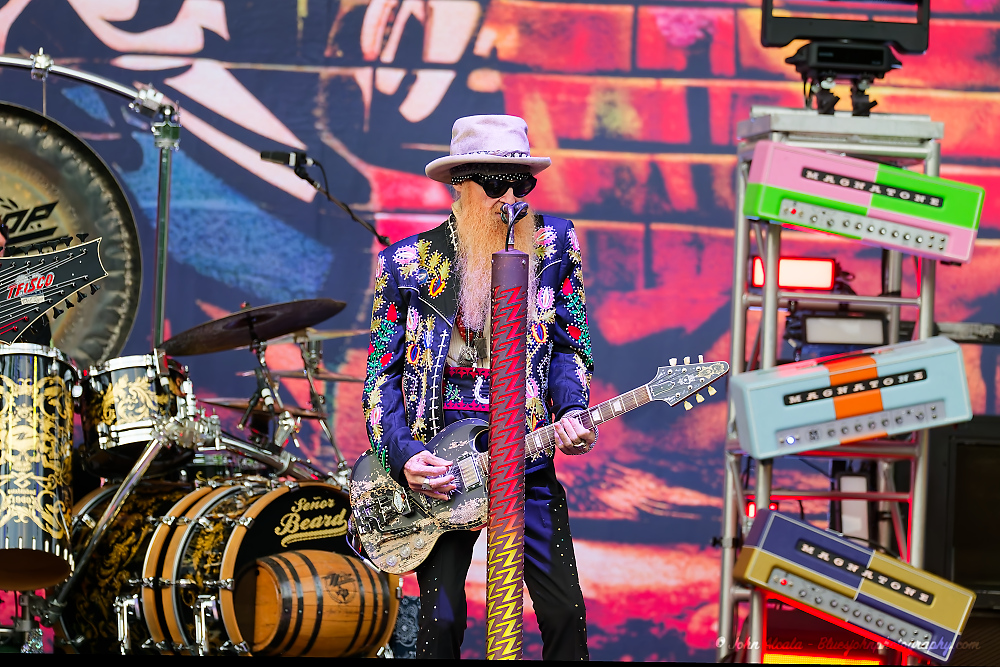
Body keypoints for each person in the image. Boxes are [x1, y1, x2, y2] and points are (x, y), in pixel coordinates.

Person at [361, 114, 595, 660]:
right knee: (439, 622)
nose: (510, 197)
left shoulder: (555, 245)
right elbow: (380, 377)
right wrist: (404, 457)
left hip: (525, 453)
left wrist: (574, 408)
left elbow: (569, 340)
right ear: (459, 186)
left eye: (522, 184)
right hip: (442, 466)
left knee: (565, 611)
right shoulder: (407, 264)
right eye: (494, 183)